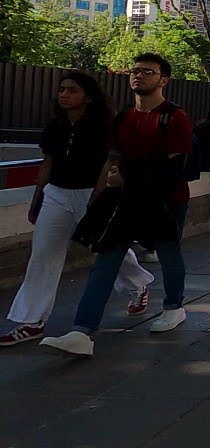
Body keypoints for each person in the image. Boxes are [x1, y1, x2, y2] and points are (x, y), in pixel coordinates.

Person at [41, 53, 194, 357]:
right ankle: (82, 331)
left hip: (165, 199)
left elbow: (176, 167)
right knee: (106, 258)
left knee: (168, 252)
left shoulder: (174, 117)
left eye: (147, 72)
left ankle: (174, 307)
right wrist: (103, 190)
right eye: (135, 71)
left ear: (163, 80)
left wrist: (127, 177)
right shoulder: (124, 117)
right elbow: (112, 159)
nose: (139, 76)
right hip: (125, 200)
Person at [1, 73, 153, 347]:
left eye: (72, 90)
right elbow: (47, 163)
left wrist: (97, 199)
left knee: (106, 247)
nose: (64, 95)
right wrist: (38, 199)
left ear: (88, 96)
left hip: (90, 192)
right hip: (57, 193)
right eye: (61, 90)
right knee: (43, 254)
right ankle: (31, 320)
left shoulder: (105, 126)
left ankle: (138, 283)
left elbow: (109, 163)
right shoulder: (55, 126)